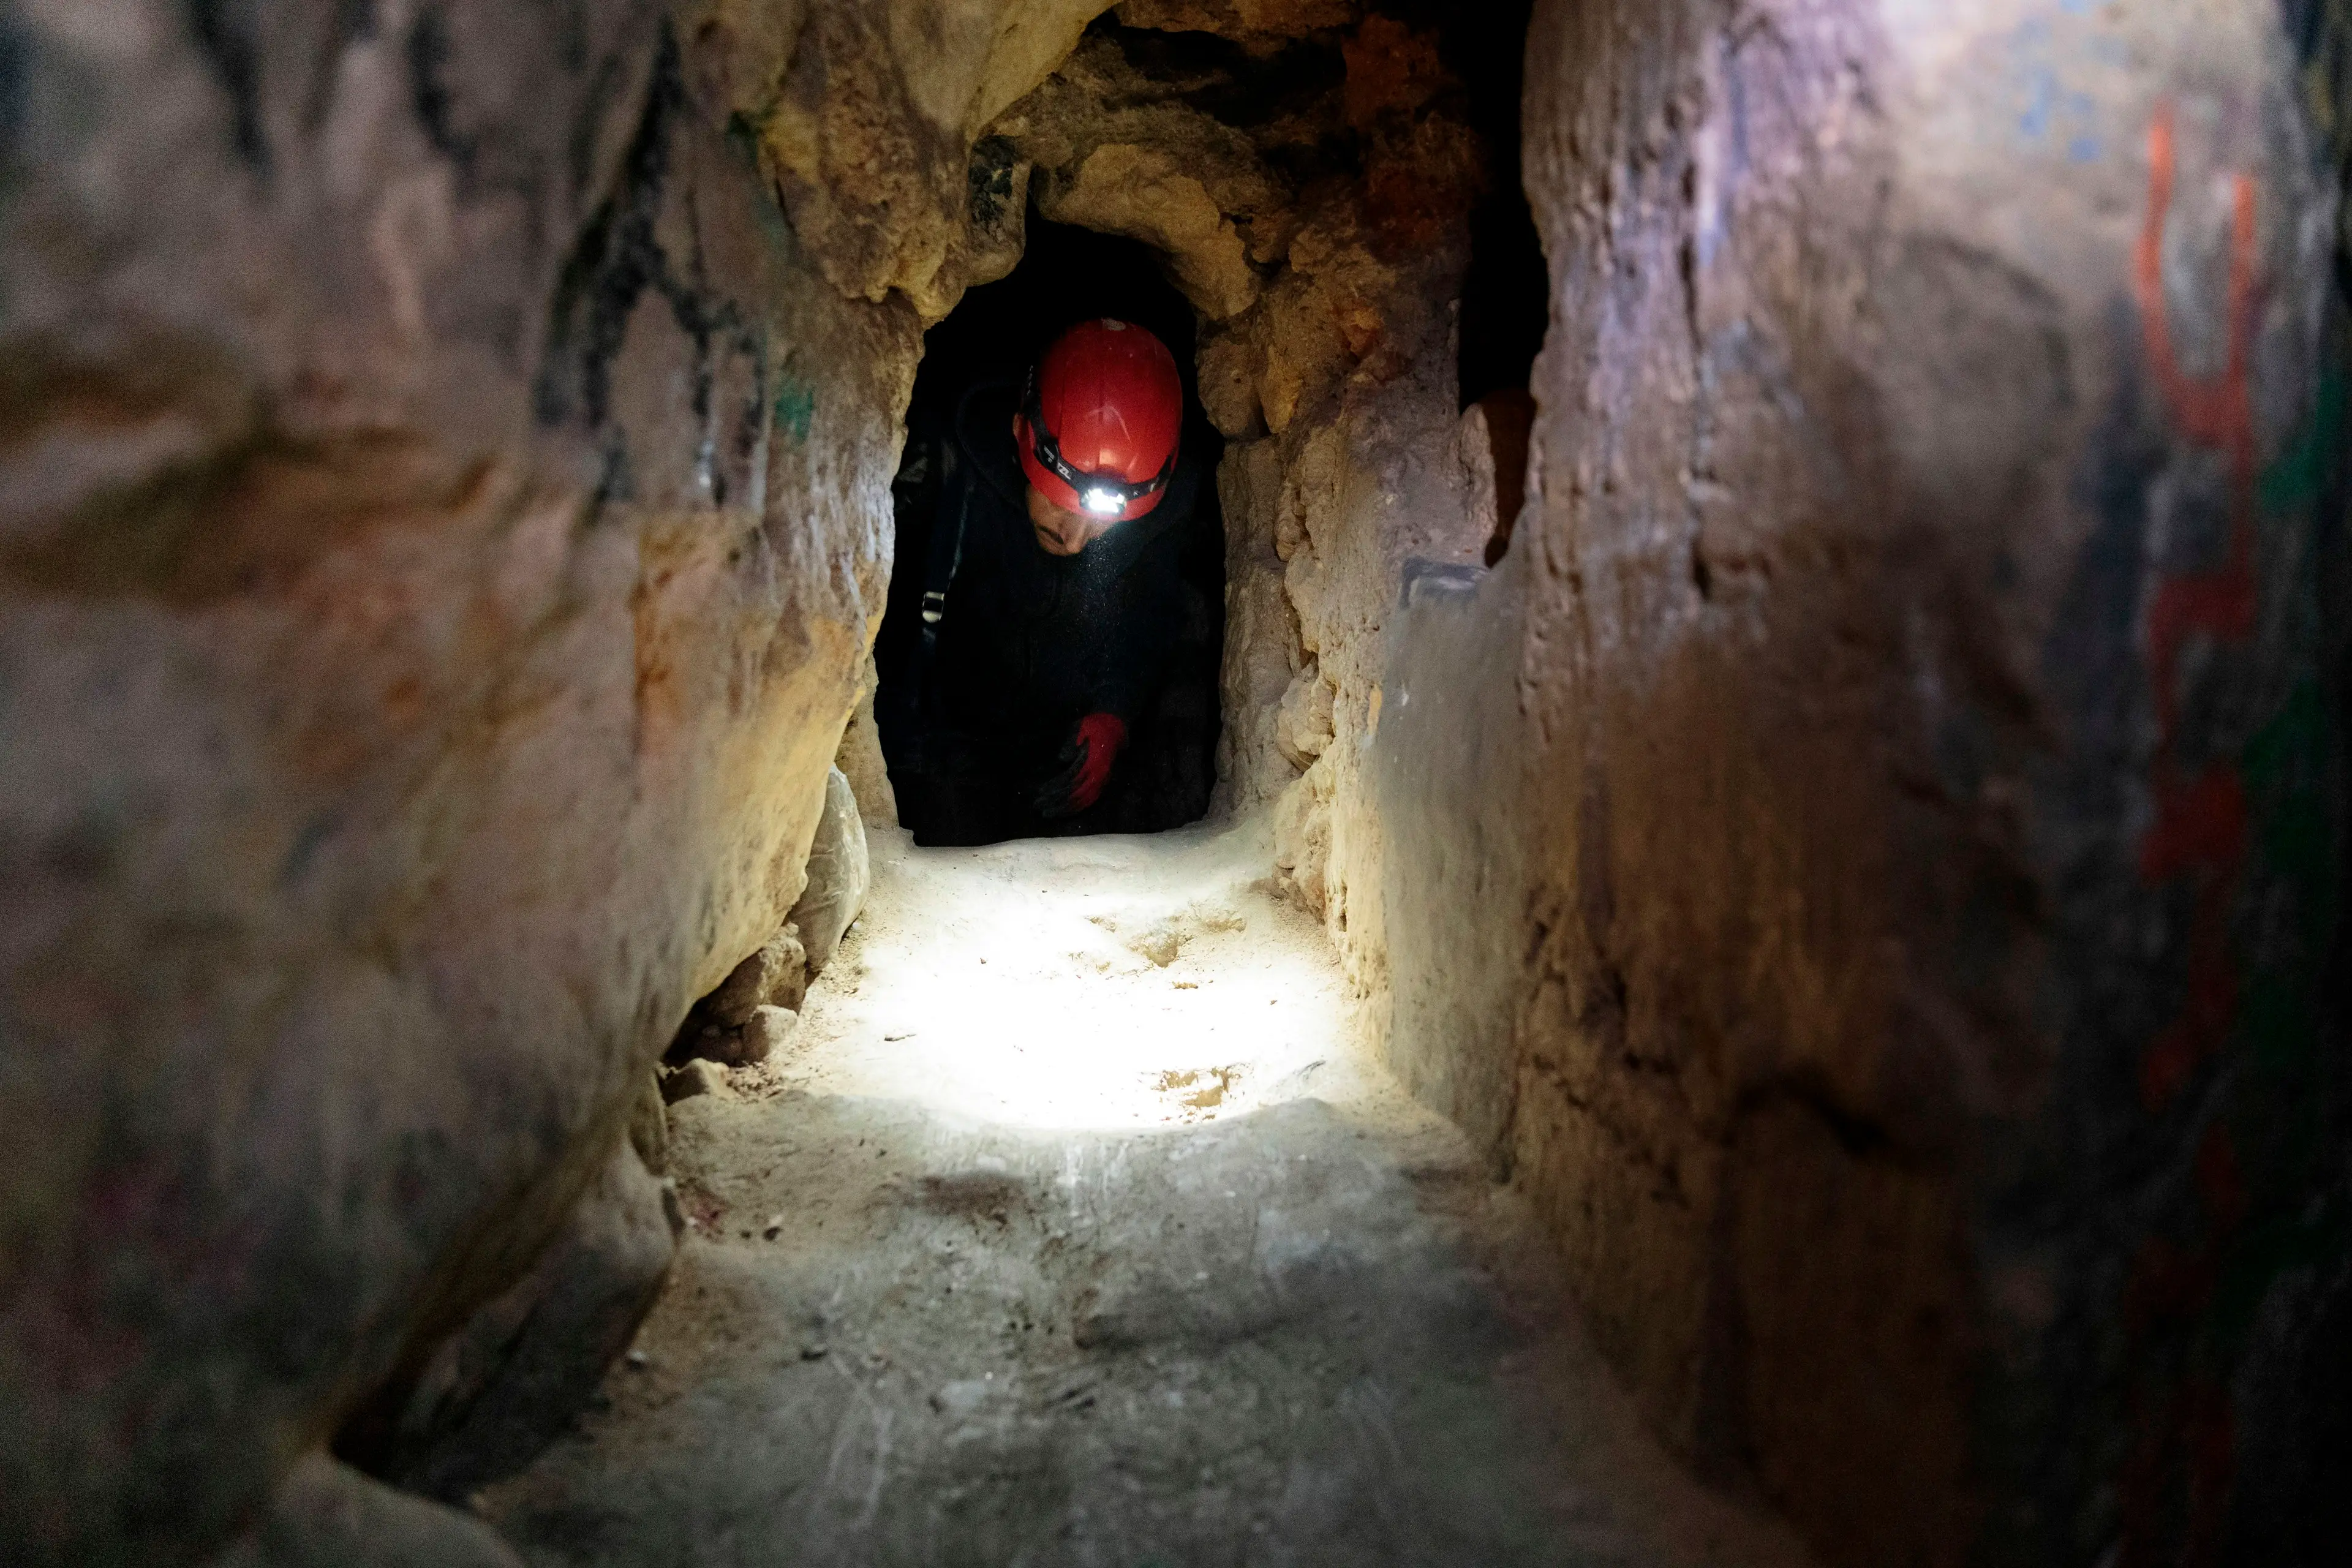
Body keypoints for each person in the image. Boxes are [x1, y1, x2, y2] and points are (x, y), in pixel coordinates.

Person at [881, 318, 1208, 846]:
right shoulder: (949, 468)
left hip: (1054, 760)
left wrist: (1114, 715)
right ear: (1020, 435)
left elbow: (1149, 613)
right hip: (947, 743)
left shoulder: (1160, 513)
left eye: (1103, 522)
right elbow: (889, 615)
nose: (1077, 539)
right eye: (1061, 504)